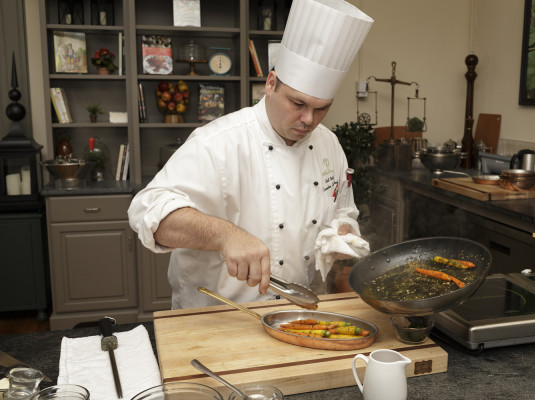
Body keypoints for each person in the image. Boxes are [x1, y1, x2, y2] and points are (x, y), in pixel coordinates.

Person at [128, 0, 374, 309]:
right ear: (270, 84)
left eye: (321, 108)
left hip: (301, 312)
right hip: (220, 317)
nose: (309, 119)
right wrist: (225, 236)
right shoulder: (218, 142)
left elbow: (343, 211)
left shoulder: (329, 145)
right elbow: (148, 212)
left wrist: (344, 233)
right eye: (297, 104)